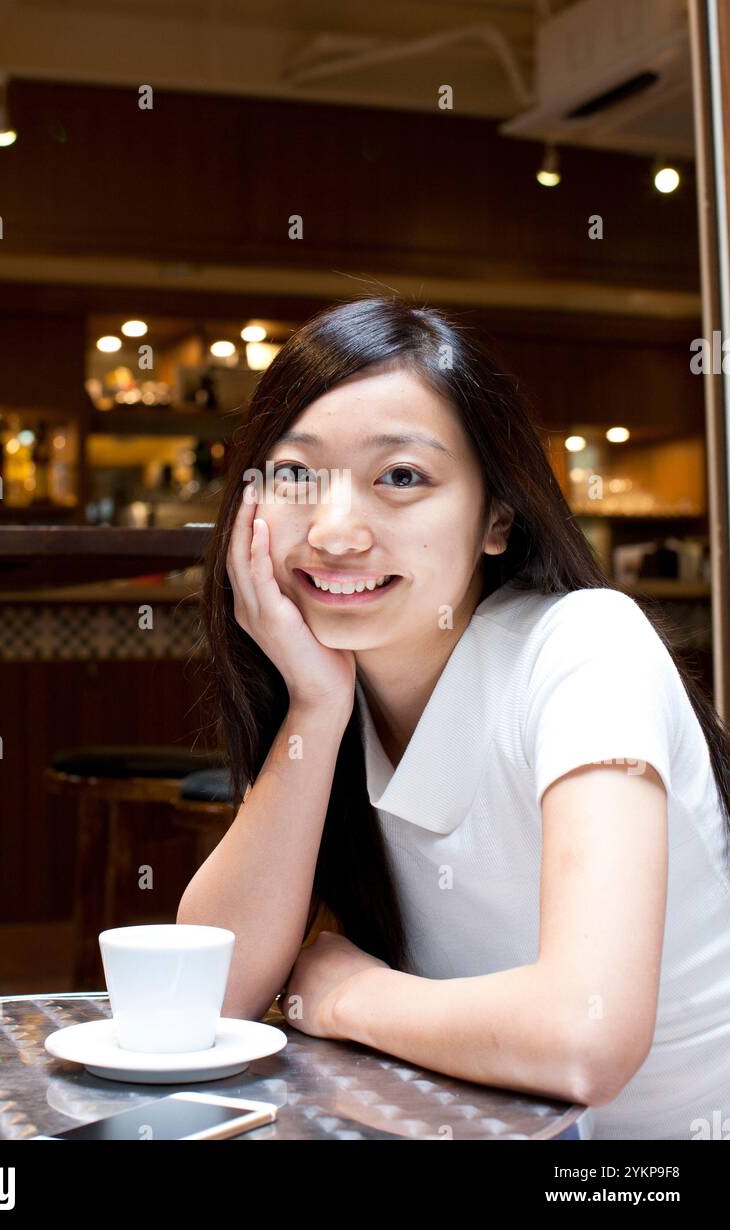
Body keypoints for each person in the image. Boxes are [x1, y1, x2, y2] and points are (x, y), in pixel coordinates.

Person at [178, 296, 730, 1140]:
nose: (334, 531)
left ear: (497, 518)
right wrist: (317, 706)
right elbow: (205, 995)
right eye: (296, 475)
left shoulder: (586, 648)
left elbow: (587, 1036)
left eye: (401, 477)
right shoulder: (331, 694)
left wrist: (347, 992)